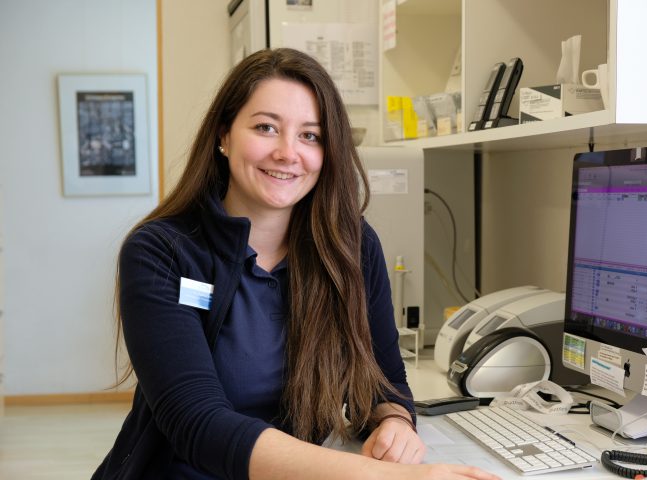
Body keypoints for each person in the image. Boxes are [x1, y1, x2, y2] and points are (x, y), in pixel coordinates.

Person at [92, 48, 500, 480]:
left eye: (310, 135)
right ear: (223, 135)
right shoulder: (161, 251)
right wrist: (392, 477)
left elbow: (384, 379)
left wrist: (394, 420)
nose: (288, 153)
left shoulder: (352, 247)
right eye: (266, 127)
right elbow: (197, 422)